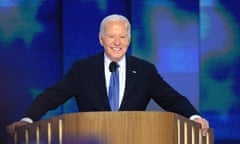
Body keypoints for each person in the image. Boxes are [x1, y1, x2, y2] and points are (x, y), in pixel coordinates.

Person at [7, 14, 209, 136]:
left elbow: (172, 99)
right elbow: (52, 96)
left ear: (129, 40)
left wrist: (194, 116)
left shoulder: (145, 71)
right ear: (101, 39)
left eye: (122, 36)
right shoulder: (83, 69)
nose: (117, 42)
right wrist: (27, 120)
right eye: (111, 36)